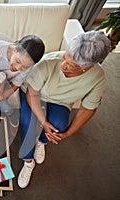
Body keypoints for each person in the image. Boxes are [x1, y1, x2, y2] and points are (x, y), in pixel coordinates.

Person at [17, 31, 111, 188]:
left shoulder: (97, 77)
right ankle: (28, 161)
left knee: (59, 126)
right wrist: (43, 121)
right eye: (65, 56)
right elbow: (32, 94)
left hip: (61, 101)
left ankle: (42, 142)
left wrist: (67, 133)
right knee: (28, 123)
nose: (63, 65)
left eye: (71, 65)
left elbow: (87, 109)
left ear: (86, 68)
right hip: (35, 94)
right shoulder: (48, 62)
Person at [0, 35, 45, 103]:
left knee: (2, 109)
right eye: (18, 61)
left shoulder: (29, 66)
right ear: (15, 49)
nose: (18, 68)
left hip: (4, 86)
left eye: (24, 67)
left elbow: (15, 85)